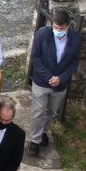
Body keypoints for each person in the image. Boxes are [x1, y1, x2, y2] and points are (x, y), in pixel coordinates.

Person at [28, 9, 81, 154]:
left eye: (61, 28)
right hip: (41, 82)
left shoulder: (75, 39)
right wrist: (48, 77)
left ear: (68, 26)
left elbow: (74, 62)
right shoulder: (42, 34)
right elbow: (36, 57)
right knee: (38, 111)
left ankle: (44, 131)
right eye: (56, 27)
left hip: (60, 84)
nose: (58, 30)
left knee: (51, 111)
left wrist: (61, 78)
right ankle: (35, 140)